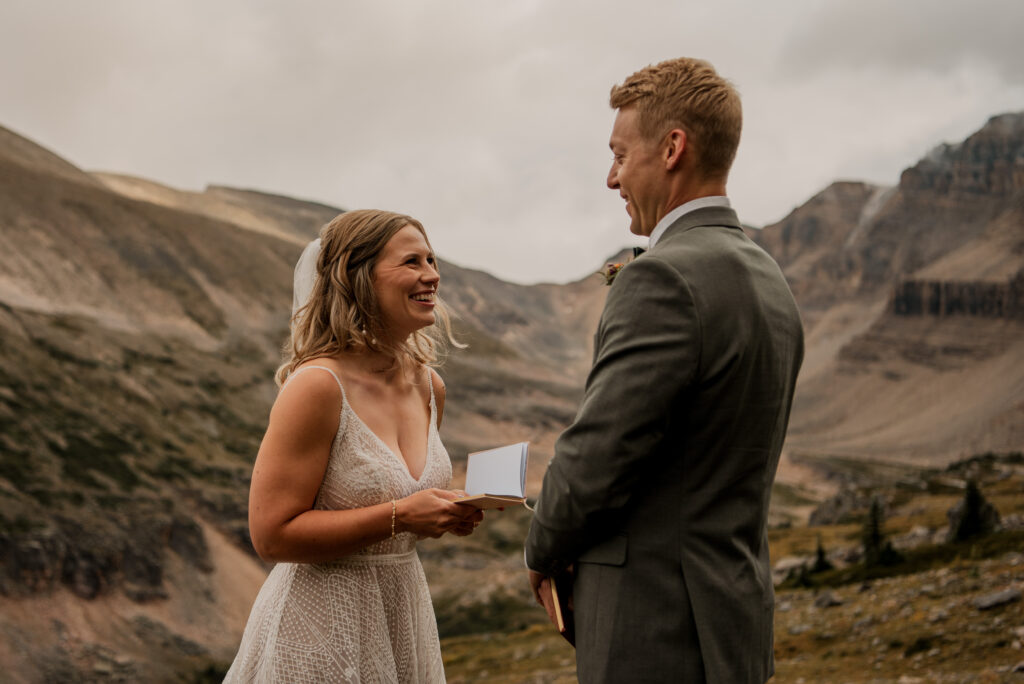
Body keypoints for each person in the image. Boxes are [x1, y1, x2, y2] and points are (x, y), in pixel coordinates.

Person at [524, 57, 804, 683]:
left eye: (620, 155)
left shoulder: (662, 275)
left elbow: (600, 449)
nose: (610, 177)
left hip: (655, 624)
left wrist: (542, 548)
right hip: (734, 617)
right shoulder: (769, 279)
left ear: (673, 147)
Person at [225, 209, 482, 683]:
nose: (432, 275)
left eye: (432, 259)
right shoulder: (317, 387)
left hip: (402, 615)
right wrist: (402, 515)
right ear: (357, 278)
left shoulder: (430, 387)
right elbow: (270, 534)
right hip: (320, 623)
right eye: (412, 262)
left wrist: (441, 516)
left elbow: (399, 513)